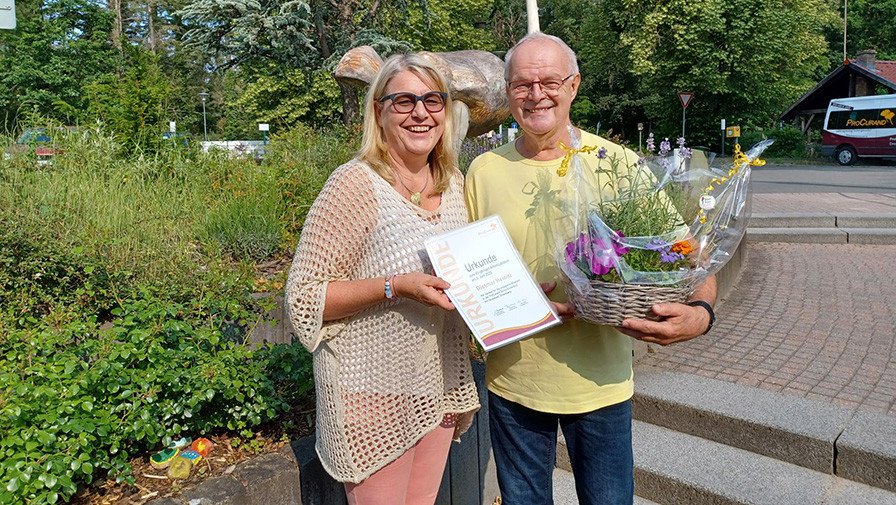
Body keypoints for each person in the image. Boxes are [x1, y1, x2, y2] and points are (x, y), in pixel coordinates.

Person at [464, 33, 717, 505]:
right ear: (507, 91)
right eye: (521, 84)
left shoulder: (617, 164)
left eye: (549, 81)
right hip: (514, 381)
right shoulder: (484, 171)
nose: (536, 94)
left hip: (601, 384)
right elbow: (467, 272)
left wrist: (701, 312)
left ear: (574, 86)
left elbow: (691, 254)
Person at [285, 53, 480, 505]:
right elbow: (304, 297)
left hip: (439, 383)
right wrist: (395, 285)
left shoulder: (453, 182)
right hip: (372, 388)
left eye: (433, 100)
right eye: (404, 101)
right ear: (379, 111)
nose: (420, 113)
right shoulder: (355, 184)